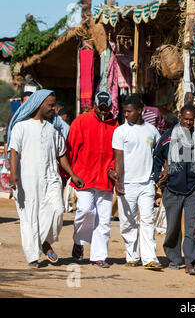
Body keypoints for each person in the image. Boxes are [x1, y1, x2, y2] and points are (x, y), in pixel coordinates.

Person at [7, 90, 84, 268]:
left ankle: (44, 241)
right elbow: (14, 151)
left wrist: (73, 175)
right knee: (30, 216)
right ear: (39, 105)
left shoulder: (53, 128)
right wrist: (13, 174)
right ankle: (33, 255)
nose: (53, 109)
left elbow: (61, 154)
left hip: (51, 177)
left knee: (57, 211)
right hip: (27, 178)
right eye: (50, 105)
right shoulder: (21, 127)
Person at [152, 101, 195, 275]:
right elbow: (155, 159)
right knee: (172, 227)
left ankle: (190, 261)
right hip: (171, 189)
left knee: (191, 227)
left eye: (191, 120)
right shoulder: (167, 138)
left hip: (193, 188)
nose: (187, 123)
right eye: (185, 119)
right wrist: (158, 177)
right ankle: (174, 258)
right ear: (179, 118)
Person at [66, 91, 119, 268]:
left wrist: (113, 169)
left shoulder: (115, 125)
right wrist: (71, 174)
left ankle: (99, 256)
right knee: (85, 210)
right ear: (95, 106)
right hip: (84, 176)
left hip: (105, 179)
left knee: (103, 219)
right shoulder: (81, 121)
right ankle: (79, 242)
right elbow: (71, 148)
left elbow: (117, 152)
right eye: (101, 108)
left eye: (107, 108)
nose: (104, 111)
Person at [112, 94, 162, 270]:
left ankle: (149, 257)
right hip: (127, 184)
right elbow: (118, 158)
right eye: (124, 111)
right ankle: (132, 255)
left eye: (129, 111)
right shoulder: (120, 131)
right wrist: (118, 181)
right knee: (128, 222)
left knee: (148, 220)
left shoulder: (152, 131)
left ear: (140, 111)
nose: (126, 114)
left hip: (147, 183)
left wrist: (163, 171)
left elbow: (159, 152)